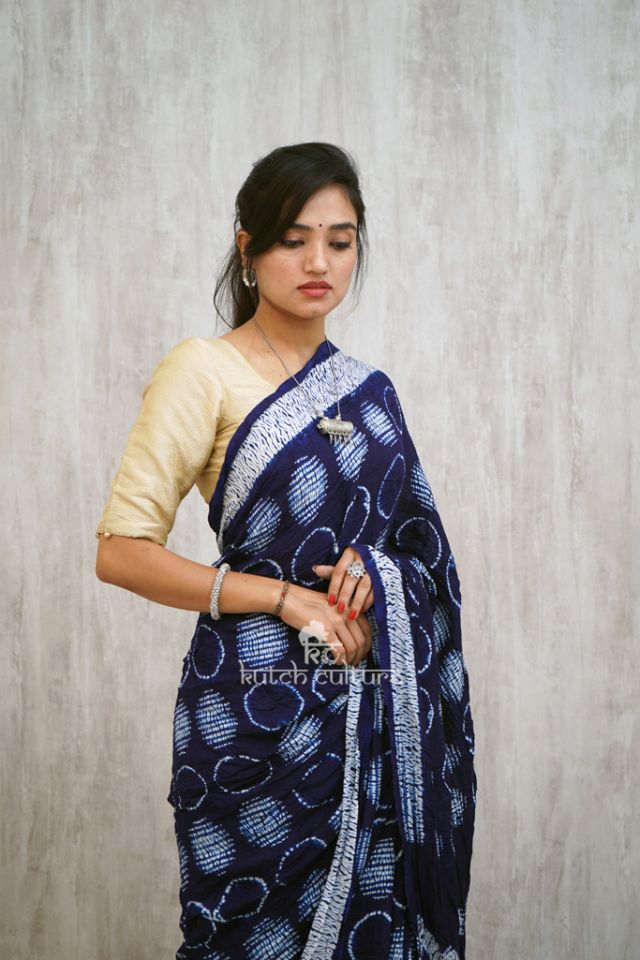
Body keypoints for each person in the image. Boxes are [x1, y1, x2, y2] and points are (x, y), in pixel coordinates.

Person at [95, 141, 477, 960]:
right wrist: (283, 597)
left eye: (340, 242)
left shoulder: (372, 391)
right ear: (248, 247)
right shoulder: (203, 370)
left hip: (372, 706)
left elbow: (423, 554)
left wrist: (381, 572)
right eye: (293, 239)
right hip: (251, 711)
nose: (318, 263)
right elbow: (121, 551)